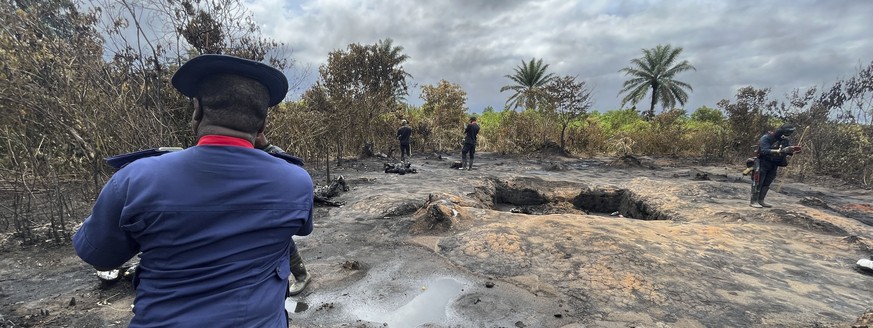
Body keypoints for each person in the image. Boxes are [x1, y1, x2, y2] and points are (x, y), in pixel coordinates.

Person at [72, 54, 314, 327]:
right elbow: (301, 229)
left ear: (197, 111)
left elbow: (98, 255)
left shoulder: (135, 178)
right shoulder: (296, 183)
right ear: (262, 126)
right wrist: (269, 152)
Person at [751, 123, 799, 208]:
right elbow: (764, 151)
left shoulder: (785, 140)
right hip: (762, 162)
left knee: (767, 183)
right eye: (787, 132)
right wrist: (779, 151)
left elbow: (787, 151)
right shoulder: (767, 138)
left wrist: (792, 151)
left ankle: (761, 200)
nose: (789, 135)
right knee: (758, 182)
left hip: (774, 164)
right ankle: (754, 201)